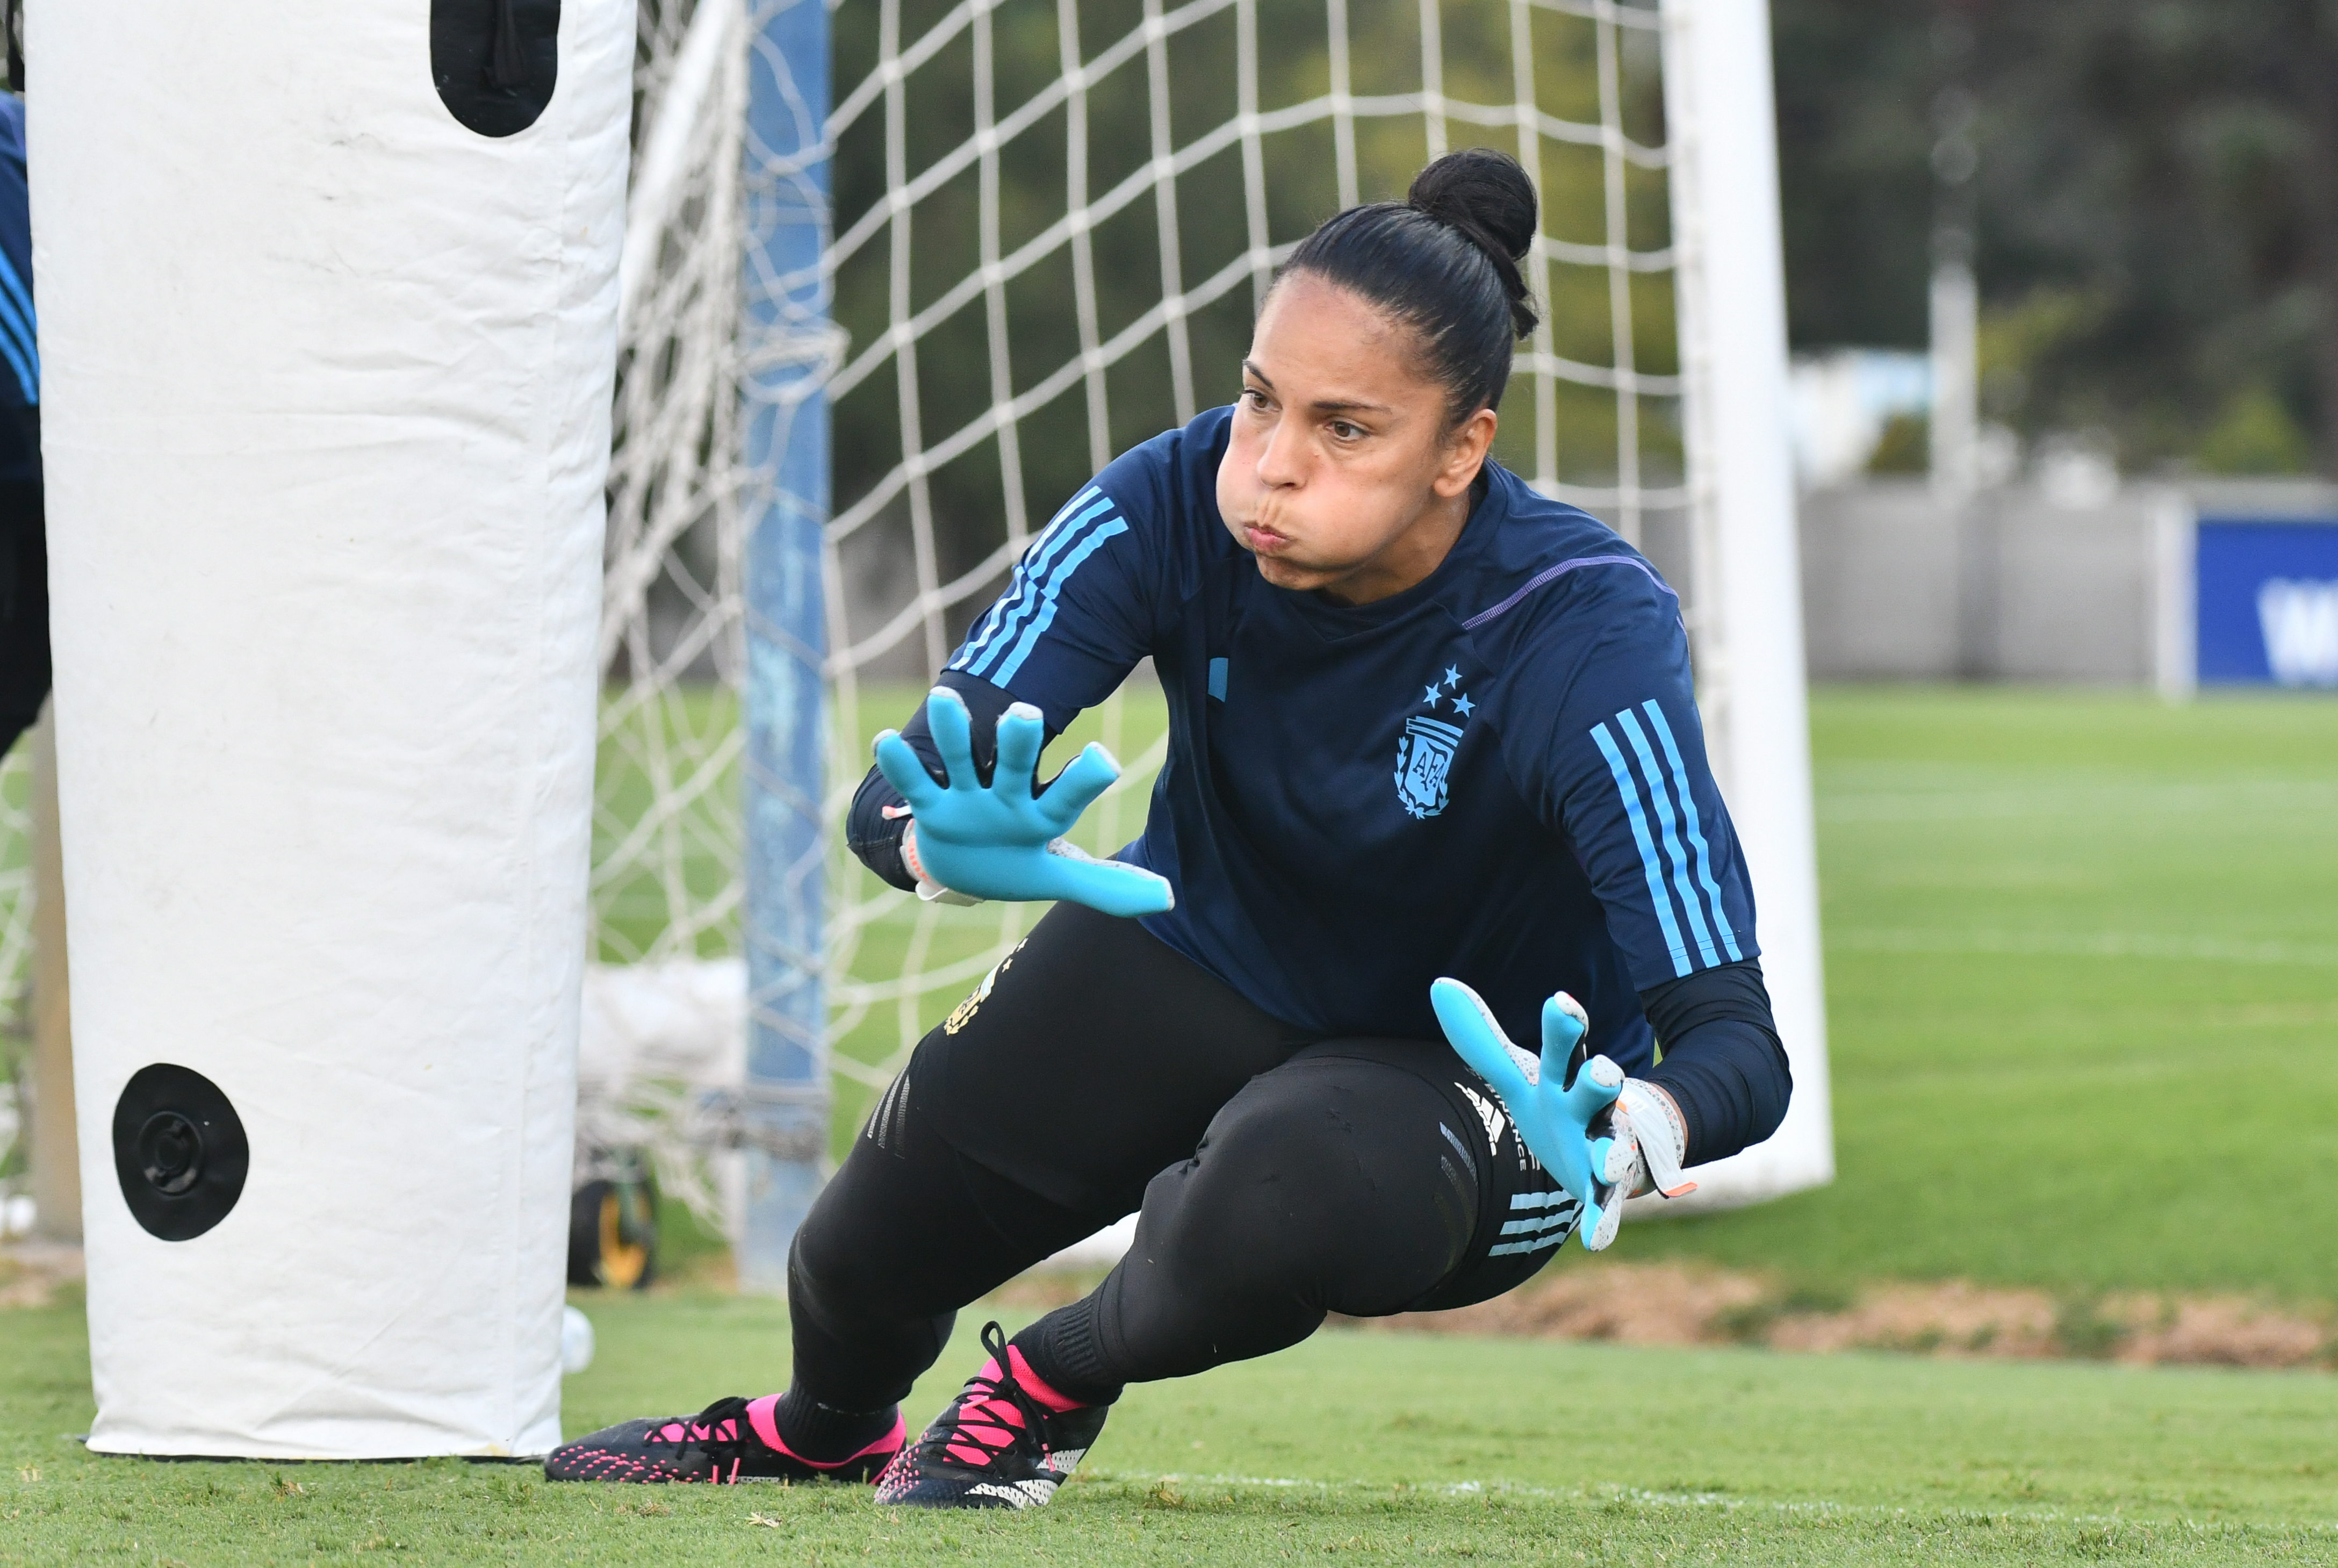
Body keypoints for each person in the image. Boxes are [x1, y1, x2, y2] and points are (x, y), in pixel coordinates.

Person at [546, 147, 1791, 1506]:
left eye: (1345, 430)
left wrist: (1633, 1122)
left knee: (1274, 1185)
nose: (1270, 467)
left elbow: (1736, 1040)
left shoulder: (1583, 627)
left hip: (1470, 1081)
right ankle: (820, 1427)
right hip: (1205, 951)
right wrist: (923, 837)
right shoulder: (1166, 496)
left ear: (1462, 450)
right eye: (1260, 401)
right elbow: (912, 777)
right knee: (856, 1253)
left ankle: (1045, 1382)